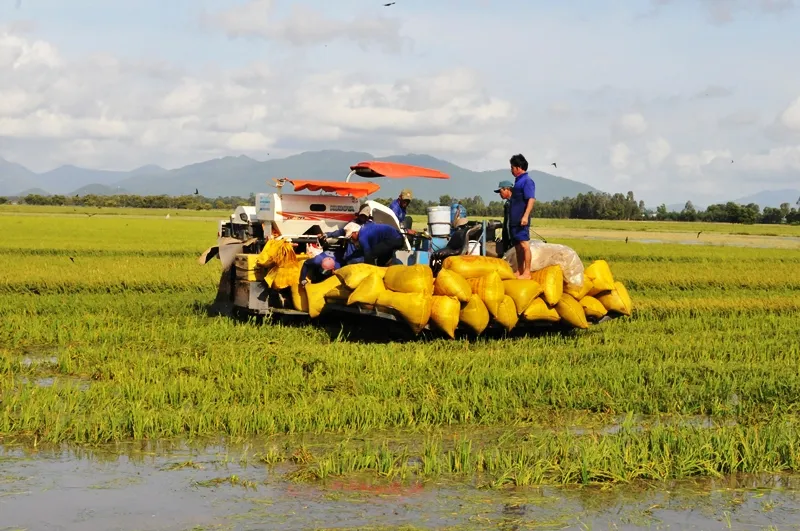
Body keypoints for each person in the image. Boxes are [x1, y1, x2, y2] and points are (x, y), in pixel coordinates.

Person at [508, 154, 536, 279]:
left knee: (524, 245)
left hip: (521, 220)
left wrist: (525, 216)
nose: (511, 170)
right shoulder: (518, 181)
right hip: (514, 219)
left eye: (512, 167)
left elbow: (531, 199)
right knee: (518, 247)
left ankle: (527, 272)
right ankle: (519, 270)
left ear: (518, 167)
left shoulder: (527, 181)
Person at [493, 180, 514, 256]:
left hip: (511, 238)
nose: (500, 194)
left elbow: (509, 222)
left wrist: (509, 239)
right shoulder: (510, 202)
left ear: (507, 189)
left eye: (500, 191)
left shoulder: (511, 203)